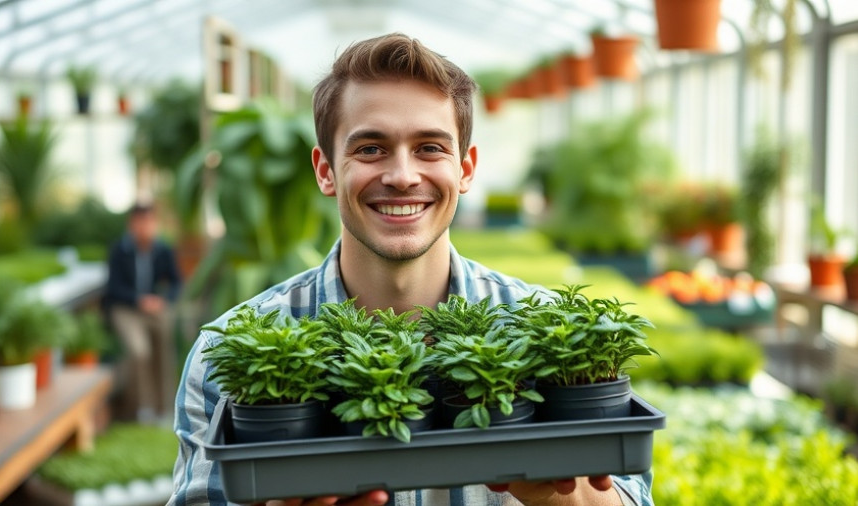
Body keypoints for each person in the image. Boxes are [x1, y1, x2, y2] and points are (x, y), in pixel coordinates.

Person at [169, 33, 653, 506]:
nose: (402, 176)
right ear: (325, 170)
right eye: (370, 149)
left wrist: (564, 500)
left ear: (465, 169)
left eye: (430, 148)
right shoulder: (223, 355)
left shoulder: (555, 335)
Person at [105, 202, 182, 424]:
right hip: (125, 309)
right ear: (132, 224)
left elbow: (176, 282)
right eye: (141, 222)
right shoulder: (119, 250)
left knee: (164, 342)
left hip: (153, 308)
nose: (146, 227)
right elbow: (113, 288)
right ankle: (140, 409)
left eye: (150, 222)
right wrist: (138, 300)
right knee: (139, 351)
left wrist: (164, 300)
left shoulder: (163, 249)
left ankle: (164, 407)